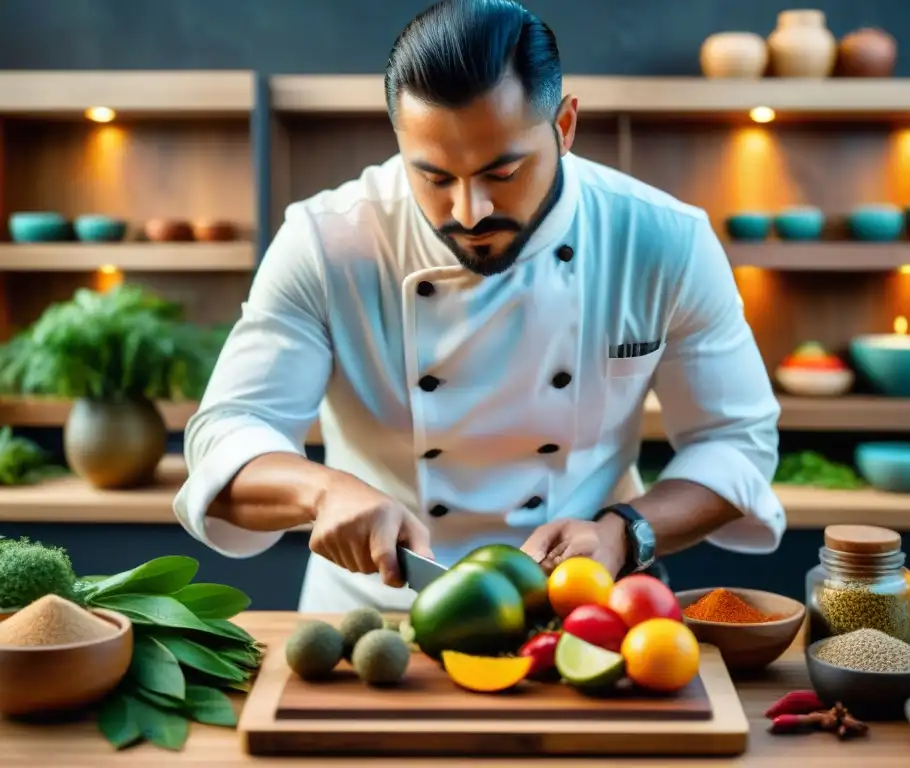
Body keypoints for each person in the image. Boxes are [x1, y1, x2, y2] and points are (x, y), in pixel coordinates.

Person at [173, 0, 786, 614]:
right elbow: (226, 436)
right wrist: (322, 493)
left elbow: (736, 442)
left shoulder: (662, 239)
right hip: (370, 615)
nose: (470, 212)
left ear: (565, 126)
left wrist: (624, 532)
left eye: (504, 171)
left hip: (585, 609)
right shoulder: (327, 241)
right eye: (435, 178)